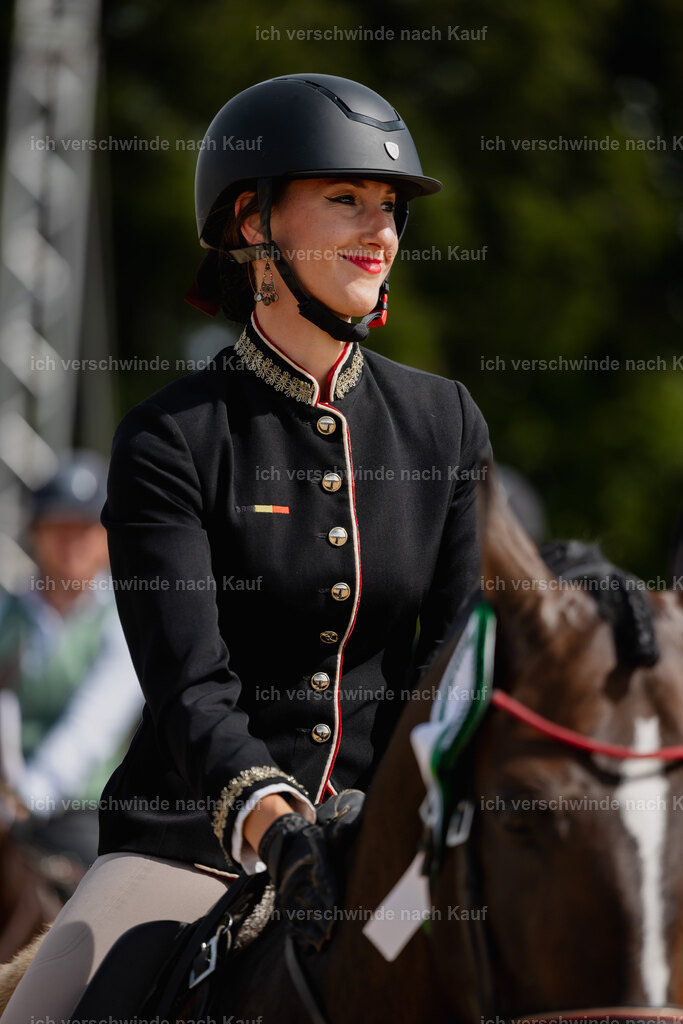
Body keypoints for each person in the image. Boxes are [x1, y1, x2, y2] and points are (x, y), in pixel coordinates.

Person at [0, 72, 491, 1020]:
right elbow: (189, 685)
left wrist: (409, 819)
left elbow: (453, 652)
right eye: (344, 198)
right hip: (194, 838)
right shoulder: (170, 439)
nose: (379, 230)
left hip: (396, 844)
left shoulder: (445, 423)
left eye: (387, 206)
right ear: (252, 224)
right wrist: (275, 825)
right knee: (47, 1010)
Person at [0, 451, 143, 871]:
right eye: (58, 528)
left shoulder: (123, 620)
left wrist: (24, 798)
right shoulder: (6, 610)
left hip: (79, 814)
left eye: (84, 529)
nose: (72, 542)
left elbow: (92, 728)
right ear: (35, 533)